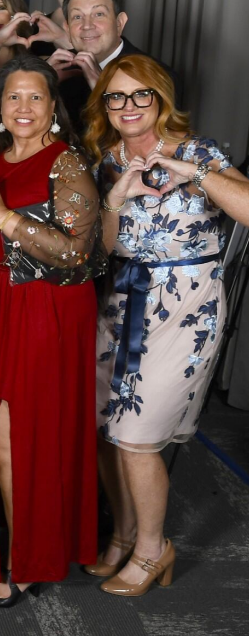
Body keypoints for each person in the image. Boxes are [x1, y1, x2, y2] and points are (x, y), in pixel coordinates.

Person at [0, 55, 100, 606]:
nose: (23, 107)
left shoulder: (66, 163)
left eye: (36, 97)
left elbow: (77, 251)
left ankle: (24, 562)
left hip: (41, 310)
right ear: (0, 108)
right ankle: (20, 552)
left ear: (54, 108)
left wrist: (5, 215)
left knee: (19, 441)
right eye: (14, 97)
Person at [84, 55, 249, 596]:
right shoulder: (104, 159)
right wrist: (112, 200)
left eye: (140, 96)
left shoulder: (198, 150)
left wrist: (193, 173)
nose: (128, 107)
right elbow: (102, 252)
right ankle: (125, 533)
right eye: (116, 97)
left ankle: (155, 551)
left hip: (185, 307)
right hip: (121, 302)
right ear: (105, 104)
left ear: (159, 99)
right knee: (107, 428)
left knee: (137, 437)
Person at [53, 0, 184, 133]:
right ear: (67, 29)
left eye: (99, 14)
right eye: (77, 17)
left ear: (119, 23)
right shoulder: (57, 69)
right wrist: (41, 83)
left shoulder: (160, 76)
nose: (87, 25)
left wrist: (103, 89)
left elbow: (157, 145)